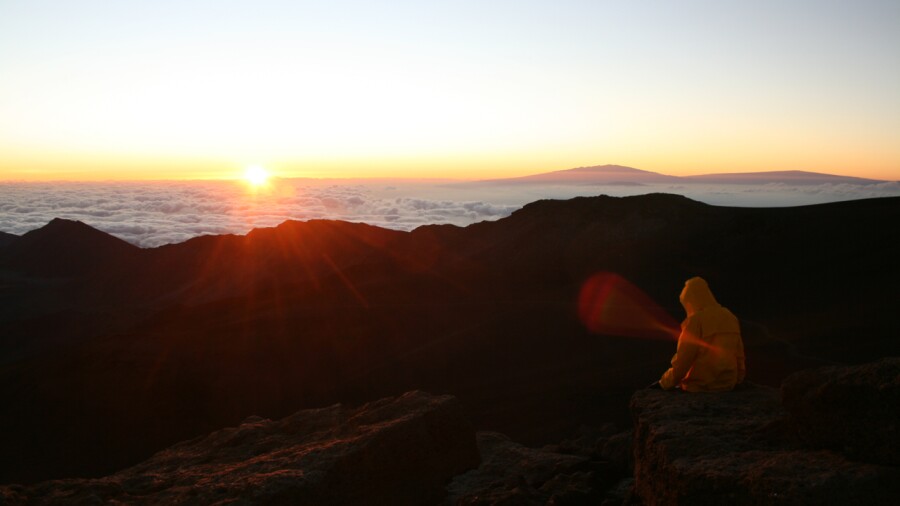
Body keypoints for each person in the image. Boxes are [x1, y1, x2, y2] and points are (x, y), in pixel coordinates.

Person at [652, 277, 745, 392]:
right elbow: (739, 354)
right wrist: (738, 380)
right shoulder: (730, 317)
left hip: (700, 387)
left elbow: (683, 360)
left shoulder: (695, 321)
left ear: (691, 300)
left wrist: (664, 382)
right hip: (727, 384)